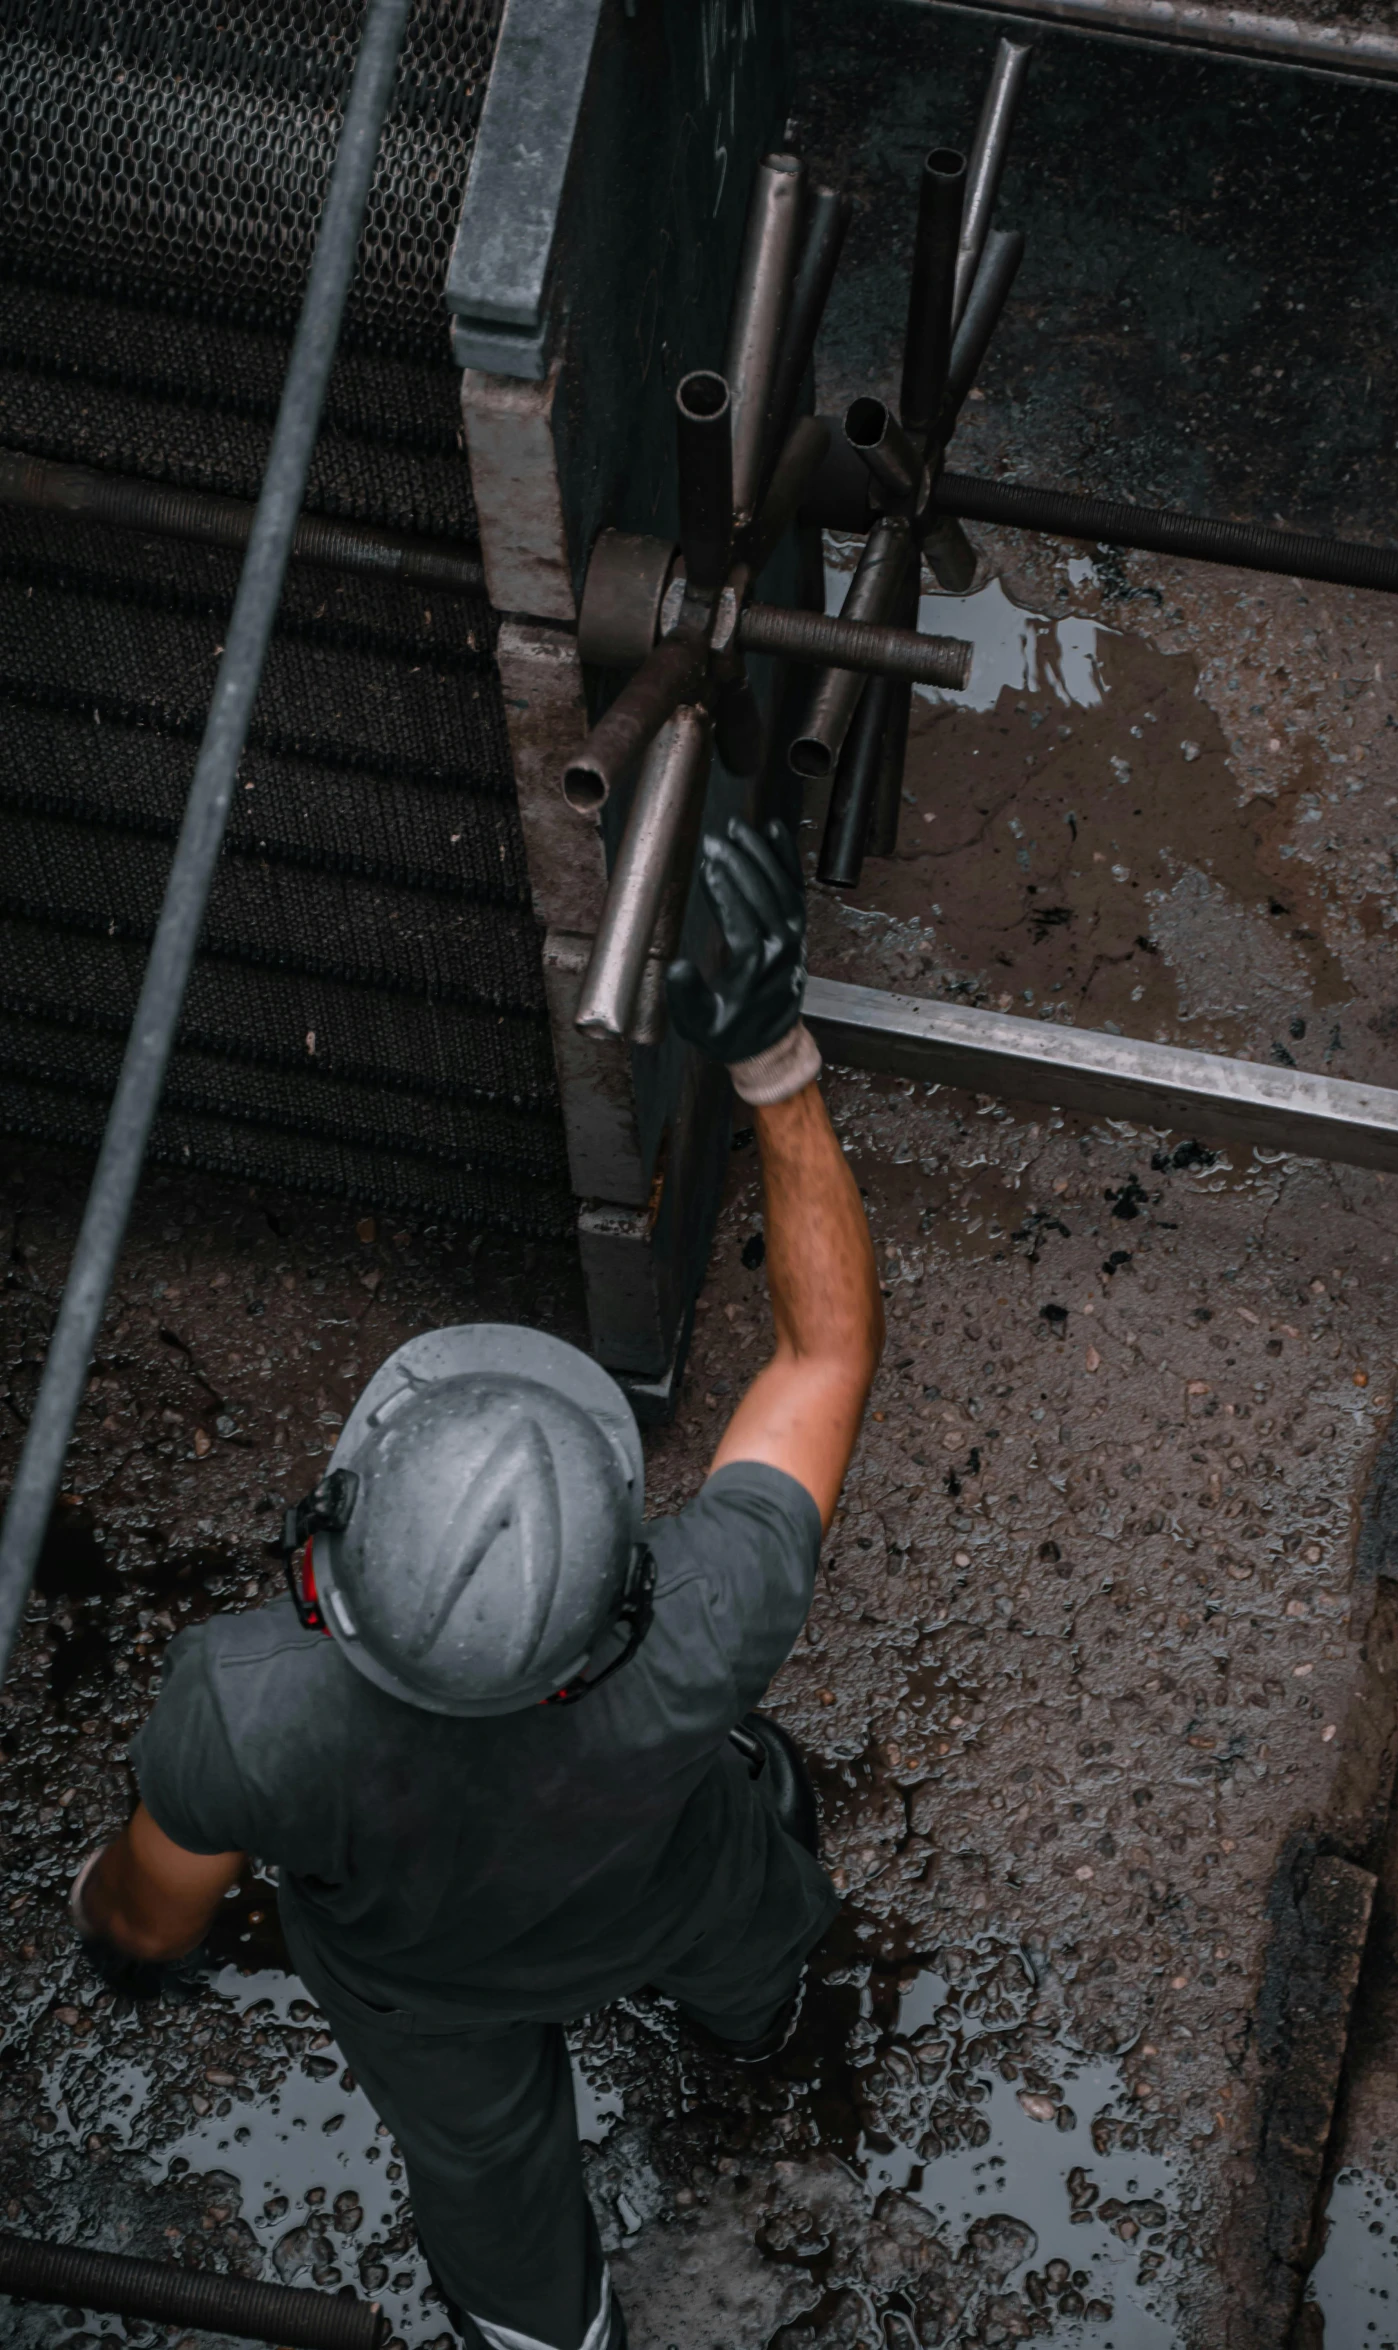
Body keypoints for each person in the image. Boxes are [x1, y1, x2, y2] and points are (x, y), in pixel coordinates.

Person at [67, 819, 884, 2350]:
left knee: (485, 2164)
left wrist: (114, 1929)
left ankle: (541, 2328)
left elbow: (154, 1915)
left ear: (339, 1558)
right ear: (621, 1582)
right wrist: (771, 1059)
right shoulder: (706, 1616)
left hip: (421, 1984)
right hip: (672, 1888)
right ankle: (750, 2030)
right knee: (748, 1917)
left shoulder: (248, 1706)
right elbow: (823, 1352)